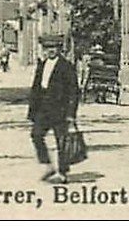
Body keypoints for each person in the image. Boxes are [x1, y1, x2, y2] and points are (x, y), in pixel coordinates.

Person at [26, 34, 78, 184]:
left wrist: (71, 114)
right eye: (47, 48)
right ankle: (48, 166)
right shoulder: (42, 65)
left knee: (61, 141)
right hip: (43, 108)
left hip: (60, 109)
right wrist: (32, 111)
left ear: (59, 49)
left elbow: (74, 92)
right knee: (36, 135)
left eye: (53, 48)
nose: (50, 51)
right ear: (44, 49)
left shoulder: (66, 66)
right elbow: (35, 88)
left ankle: (62, 173)